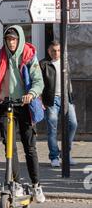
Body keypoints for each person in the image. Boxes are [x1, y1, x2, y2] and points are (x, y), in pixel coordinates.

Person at [0, 25, 46, 203]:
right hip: (5, 104)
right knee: (9, 146)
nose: (11, 42)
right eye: (8, 39)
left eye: (14, 39)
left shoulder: (28, 56)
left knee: (30, 146)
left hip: (24, 105)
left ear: (19, 40)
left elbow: (38, 81)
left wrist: (31, 94)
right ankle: (17, 183)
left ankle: (36, 184)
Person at [40, 40, 78, 168]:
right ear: (49, 51)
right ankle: (54, 156)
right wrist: (40, 100)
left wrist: (71, 98)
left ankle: (66, 154)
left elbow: (69, 81)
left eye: (58, 50)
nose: (56, 53)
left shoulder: (65, 63)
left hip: (66, 98)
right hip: (51, 100)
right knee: (53, 128)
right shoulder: (43, 64)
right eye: (53, 51)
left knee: (73, 124)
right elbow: (39, 84)